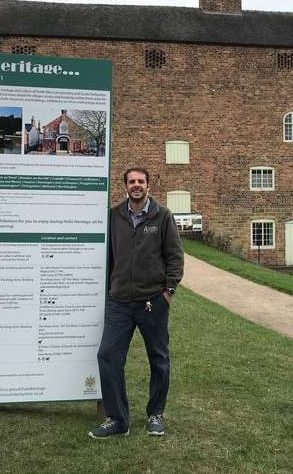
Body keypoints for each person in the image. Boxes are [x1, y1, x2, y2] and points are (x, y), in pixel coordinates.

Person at [89, 167, 184, 439]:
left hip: (152, 301)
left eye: (141, 181)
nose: (136, 185)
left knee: (159, 358)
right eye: (132, 181)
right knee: (107, 356)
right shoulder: (114, 216)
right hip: (119, 302)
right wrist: (110, 288)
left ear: (149, 186)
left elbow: (175, 256)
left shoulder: (162, 216)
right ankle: (118, 419)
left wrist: (169, 290)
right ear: (126, 186)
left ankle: (156, 413)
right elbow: (107, 257)